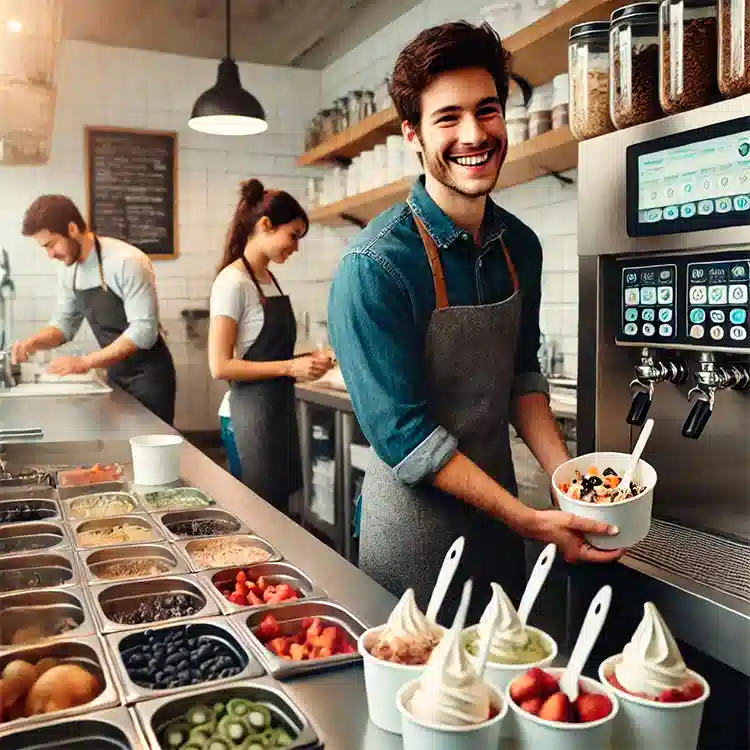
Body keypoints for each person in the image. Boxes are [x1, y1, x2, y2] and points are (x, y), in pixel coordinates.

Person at [328, 22, 623, 625]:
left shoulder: (522, 246)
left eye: (487, 111)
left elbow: (522, 377)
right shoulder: (375, 265)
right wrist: (530, 519)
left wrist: (571, 487)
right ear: (412, 134)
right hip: (413, 542)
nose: (473, 134)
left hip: (499, 531)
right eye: (447, 118)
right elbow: (406, 439)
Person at [208, 179, 332, 511]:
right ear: (265, 225)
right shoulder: (233, 282)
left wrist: (308, 361)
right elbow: (220, 366)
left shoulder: (268, 279)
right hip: (247, 418)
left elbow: (267, 353)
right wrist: (291, 367)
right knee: (258, 518)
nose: (295, 246)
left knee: (278, 513)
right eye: (293, 235)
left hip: (276, 413)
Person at [14, 194, 177, 425]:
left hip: (149, 376)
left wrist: (83, 362)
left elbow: (144, 331)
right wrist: (31, 343)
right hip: (115, 373)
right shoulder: (68, 269)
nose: (50, 255)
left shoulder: (127, 261)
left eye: (51, 245)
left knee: (150, 450)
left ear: (72, 229)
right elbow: (63, 325)